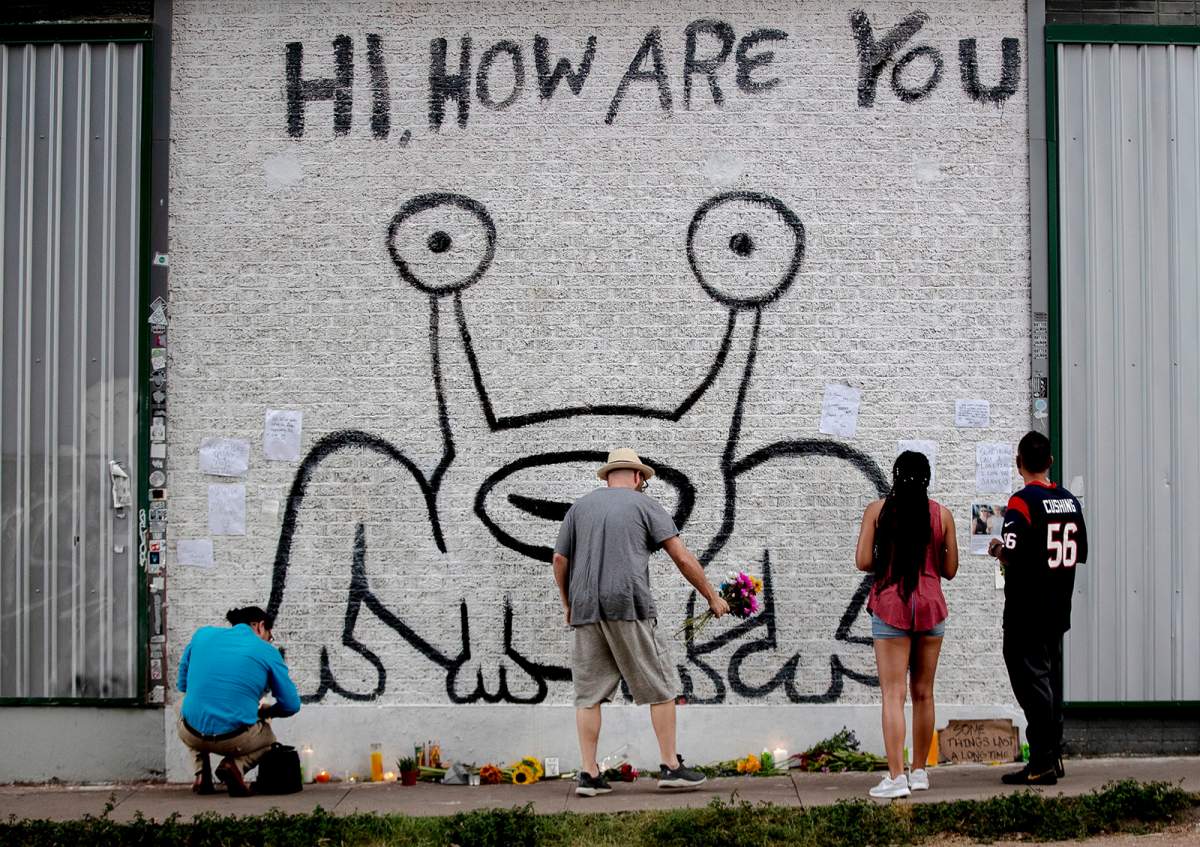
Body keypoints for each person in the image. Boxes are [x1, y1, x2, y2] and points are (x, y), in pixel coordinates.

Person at [553, 447, 730, 797]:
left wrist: (568, 603)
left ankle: (588, 774)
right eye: (643, 481)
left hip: (586, 607)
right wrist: (711, 595)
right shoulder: (645, 505)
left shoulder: (579, 508)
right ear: (637, 477)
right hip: (628, 604)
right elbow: (680, 556)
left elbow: (559, 559)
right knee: (661, 685)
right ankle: (671, 766)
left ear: (607, 477)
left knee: (588, 695)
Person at [855, 450, 958, 799]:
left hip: (891, 605)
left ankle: (896, 777)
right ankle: (919, 771)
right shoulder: (941, 514)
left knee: (893, 694)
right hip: (930, 607)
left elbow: (863, 560)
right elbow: (950, 570)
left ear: (895, 475)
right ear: (928, 477)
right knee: (924, 693)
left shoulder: (878, 510)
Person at [989, 431, 1087, 786]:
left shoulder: (1021, 502)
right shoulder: (1070, 501)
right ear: (1050, 462)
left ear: (1019, 464)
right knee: (1049, 681)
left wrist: (998, 549)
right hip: (1059, 605)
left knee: (1031, 681)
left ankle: (1042, 760)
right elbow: (1079, 552)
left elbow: (1013, 552)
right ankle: (1053, 755)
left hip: (1027, 609)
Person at [177, 606, 301, 796]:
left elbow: (183, 685)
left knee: (185, 704)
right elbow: (291, 705)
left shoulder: (202, 635)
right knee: (269, 739)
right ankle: (235, 765)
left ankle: (201, 775)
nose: (269, 640)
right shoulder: (266, 651)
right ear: (260, 626)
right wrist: (265, 712)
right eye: (270, 636)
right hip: (234, 738)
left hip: (191, 732)